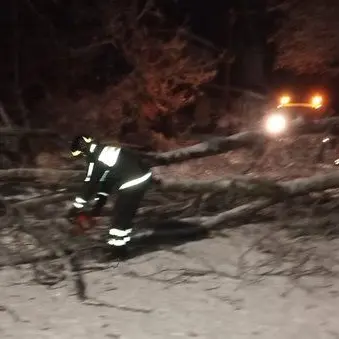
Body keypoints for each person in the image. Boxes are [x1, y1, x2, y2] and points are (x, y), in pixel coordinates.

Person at [67, 135, 153, 259]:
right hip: (143, 175)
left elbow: (90, 183)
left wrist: (76, 207)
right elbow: (106, 182)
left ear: (82, 151)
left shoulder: (94, 159)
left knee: (120, 214)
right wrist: (98, 205)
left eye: (80, 156)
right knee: (125, 214)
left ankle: (118, 251)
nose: (83, 158)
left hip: (133, 179)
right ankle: (120, 247)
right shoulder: (103, 151)